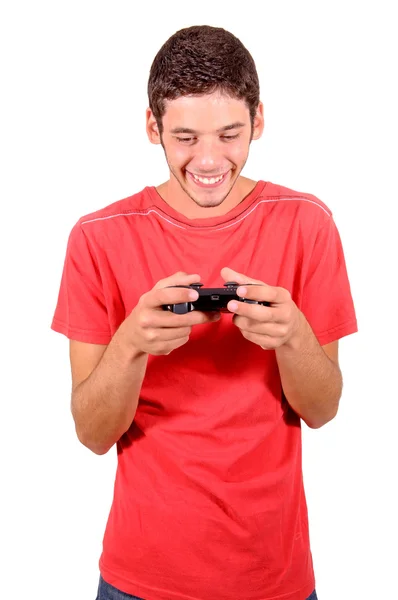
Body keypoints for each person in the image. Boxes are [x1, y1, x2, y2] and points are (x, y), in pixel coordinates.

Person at [51, 25, 357, 600]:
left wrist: (292, 336)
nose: (210, 159)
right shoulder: (97, 238)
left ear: (259, 122)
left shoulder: (307, 223)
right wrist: (130, 343)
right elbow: (93, 434)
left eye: (230, 134)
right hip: (139, 581)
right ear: (152, 127)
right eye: (186, 137)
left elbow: (322, 409)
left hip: (275, 580)